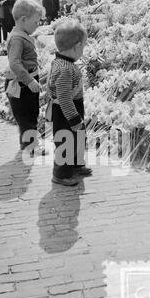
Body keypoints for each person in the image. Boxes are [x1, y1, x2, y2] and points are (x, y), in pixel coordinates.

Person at [47, 20, 92, 186]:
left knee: (78, 138)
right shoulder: (65, 69)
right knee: (66, 141)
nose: (83, 50)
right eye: (84, 46)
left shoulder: (62, 63)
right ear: (76, 47)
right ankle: (61, 174)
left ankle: (75, 165)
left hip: (72, 108)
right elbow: (64, 96)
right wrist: (73, 119)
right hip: (65, 112)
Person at [5, 0, 46, 155]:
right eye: (35, 22)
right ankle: (31, 145)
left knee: (31, 112)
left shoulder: (21, 34)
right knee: (26, 114)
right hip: (21, 84)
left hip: (25, 83)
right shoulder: (17, 38)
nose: (37, 25)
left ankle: (26, 142)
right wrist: (29, 80)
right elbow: (14, 63)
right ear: (23, 20)